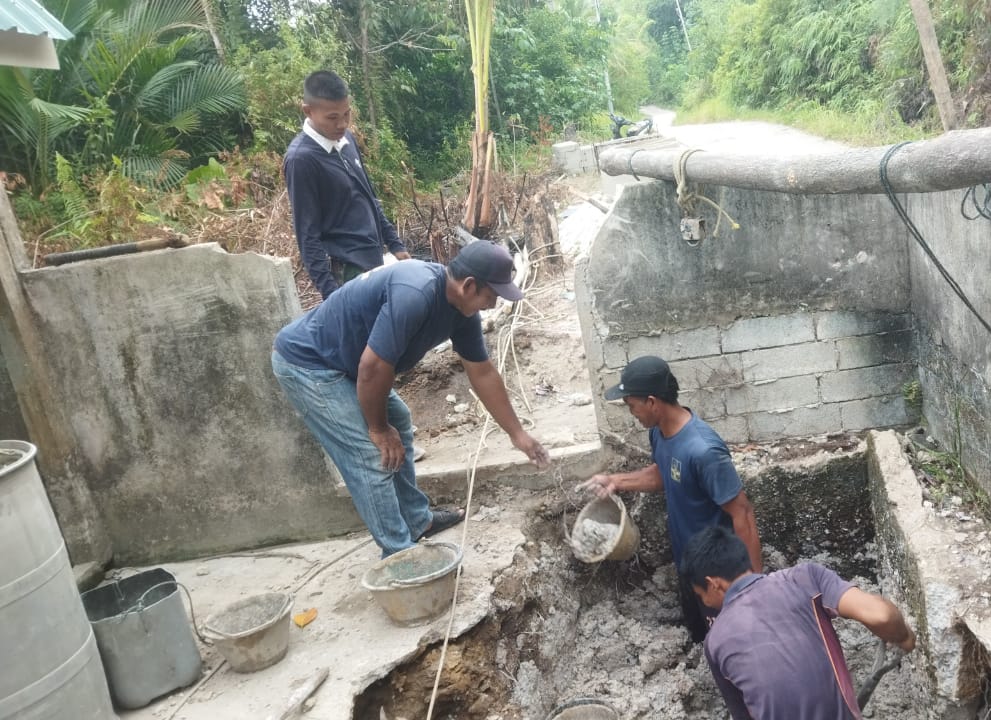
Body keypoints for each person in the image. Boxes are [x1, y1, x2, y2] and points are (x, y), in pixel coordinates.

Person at [271, 241, 551, 558]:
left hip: (348, 364)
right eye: (493, 295)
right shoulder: (415, 294)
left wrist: (518, 434)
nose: (494, 303)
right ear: (470, 285)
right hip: (309, 365)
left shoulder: (462, 311)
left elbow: (483, 373)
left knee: (399, 419)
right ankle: (400, 554)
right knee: (369, 454)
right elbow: (373, 367)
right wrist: (377, 429)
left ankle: (417, 521)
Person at [579, 356, 761, 642]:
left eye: (632, 406)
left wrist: (753, 587)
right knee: (703, 637)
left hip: (718, 575)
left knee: (733, 641)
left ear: (652, 401)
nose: (632, 413)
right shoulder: (659, 433)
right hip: (688, 562)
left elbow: (743, 514)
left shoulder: (704, 451)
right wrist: (616, 481)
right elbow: (664, 474)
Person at [682, 525, 917, 720]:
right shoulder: (804, 578)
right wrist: (904, 637)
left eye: (702, 596)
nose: (708, 603)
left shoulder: (715, 641)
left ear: (713, 583)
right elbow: (882, 615)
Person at [285, 70, 410, 299]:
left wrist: (395, 244)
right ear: (308, 111)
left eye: (346, 114)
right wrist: (332, 296)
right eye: (332, 118)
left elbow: (368, 197)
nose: (342, 124)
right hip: (346, 273)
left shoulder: (346, 140)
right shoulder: (301, 160)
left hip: (375, 261)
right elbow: (307, 235)